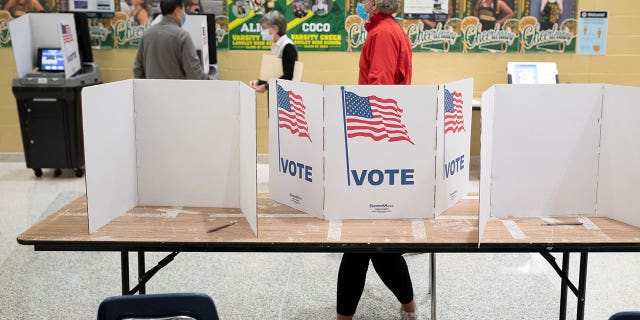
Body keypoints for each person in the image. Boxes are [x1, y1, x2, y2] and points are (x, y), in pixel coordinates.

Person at [337, 0, 415, 319]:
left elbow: (378, 93)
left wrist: (362, 148)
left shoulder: (381, 33)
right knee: (375, 243)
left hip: (376, 145)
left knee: (363, 242)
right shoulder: (391, 29)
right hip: (385, 143)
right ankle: (409, 307)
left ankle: (405, 307)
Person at [133, 0, 207, 79]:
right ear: (177, 11)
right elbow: (194, 73)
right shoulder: (182, 36)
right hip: (176, 90)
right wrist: (209, 79)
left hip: (151, 90)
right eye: (183, 10)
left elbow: (138, 69)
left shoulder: (146, 34)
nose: (184, 14)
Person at [249, 10, 298, 93]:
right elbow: (275, 73)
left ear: (275, 29)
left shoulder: (288, 46)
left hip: (286, 94)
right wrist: (259, 82)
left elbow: (288, 76)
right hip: (276, 92)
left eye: (264, 29)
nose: (262, 32)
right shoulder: (276, 45)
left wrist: (266, 87)